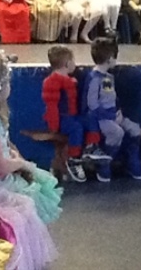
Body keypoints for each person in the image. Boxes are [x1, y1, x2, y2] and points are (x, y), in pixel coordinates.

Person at [0, 50, 62, 225]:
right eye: (8, 82)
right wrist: (22, 164)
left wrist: (13, 154)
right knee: (27, 208)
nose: (10, 86)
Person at [41, 45, 111, 182]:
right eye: (73, 61)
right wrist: (53, 126)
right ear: (68, 64)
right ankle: (73, 158)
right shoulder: (52, 82)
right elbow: (51, 106)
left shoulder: (70, 80)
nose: (75, 64)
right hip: (61, 118)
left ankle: (91, 147)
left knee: (90, 118)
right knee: (76, 128)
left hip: (73, 116)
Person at [84, 38, 141, 182]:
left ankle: (131, 160)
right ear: (110, 58)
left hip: (112, 114)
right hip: (101, 118)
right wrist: (110, 115)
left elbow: (111, 97)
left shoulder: (107, 77)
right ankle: (104, 164)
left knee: (135, 129)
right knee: (117, 132)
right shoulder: (94, 79)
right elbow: (92, 105)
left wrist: (118, 111)